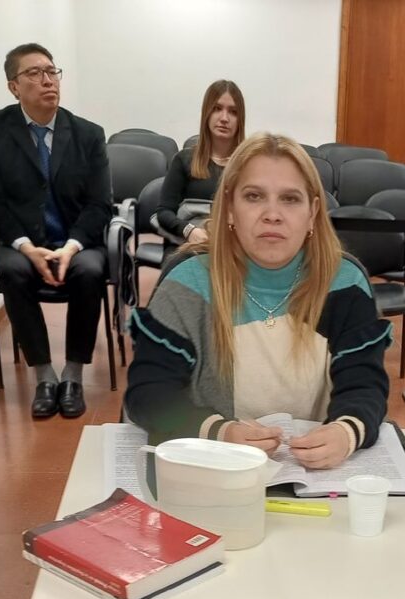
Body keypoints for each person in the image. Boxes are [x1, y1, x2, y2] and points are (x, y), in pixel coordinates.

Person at [124, 133, 391, 468]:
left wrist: (346, 432)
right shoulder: (188, 284)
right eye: (254, 196)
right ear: (229, 208)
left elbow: (365, 385)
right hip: (213, 469)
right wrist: (218, 432)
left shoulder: (345, 283)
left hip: (315, 476)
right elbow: (148, 394)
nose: (272, 214)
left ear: (312, 213)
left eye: (290, 199)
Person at [0, 43, 111, 419]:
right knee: (12, 269)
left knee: (89, 270)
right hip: (21, 240)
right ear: (13, 87)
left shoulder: (88, 134)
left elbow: (100, 204)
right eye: (34, 73)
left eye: (52, 71)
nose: (48, 80)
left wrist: (71, 246)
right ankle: (45, 376)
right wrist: (25, 246)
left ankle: (73, 375)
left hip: (76, 240)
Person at [156, 80, 246, 255]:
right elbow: (164, 212)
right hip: (188, 243)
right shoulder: (184, 159)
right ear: (207, 113)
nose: (224, 118)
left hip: (232, 249)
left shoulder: (248, 165)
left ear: (240, 119)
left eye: (233, 112)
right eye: (217, 109)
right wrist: (189, 231)